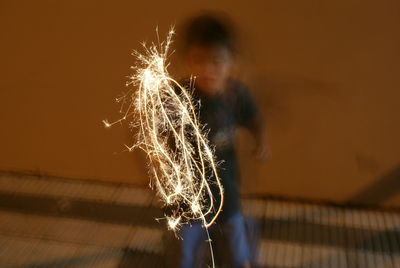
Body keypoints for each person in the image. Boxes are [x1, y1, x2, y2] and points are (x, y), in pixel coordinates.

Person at [176, 13, 268, 268]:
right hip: (189, 195)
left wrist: (260, 142)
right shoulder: (180, 96)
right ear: (187, 60)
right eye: (199, 60)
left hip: (227, 190)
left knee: (237, 249)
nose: (208, 69)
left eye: (217, 61)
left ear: (231, 61)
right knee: (185, 253)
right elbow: (160, 128)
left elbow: (253, 120)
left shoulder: (236, 95)